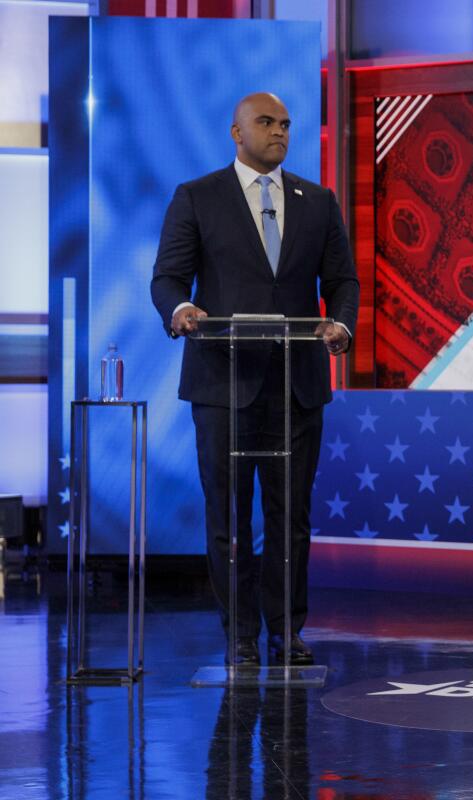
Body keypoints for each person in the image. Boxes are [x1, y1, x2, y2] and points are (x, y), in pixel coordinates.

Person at [150, 92, 359, 667]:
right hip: (223, 384)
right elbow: (168, 278)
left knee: (290, 517)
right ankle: (239, 635)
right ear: (236, 133)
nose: (279, 133)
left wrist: (340, 322)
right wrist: (180, 311)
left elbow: (342, 281)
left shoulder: (317, 201)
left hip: (297, 385)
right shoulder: (197, 197)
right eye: (266, 123)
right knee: (229, 517)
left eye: (286, 125)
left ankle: (285, 633)